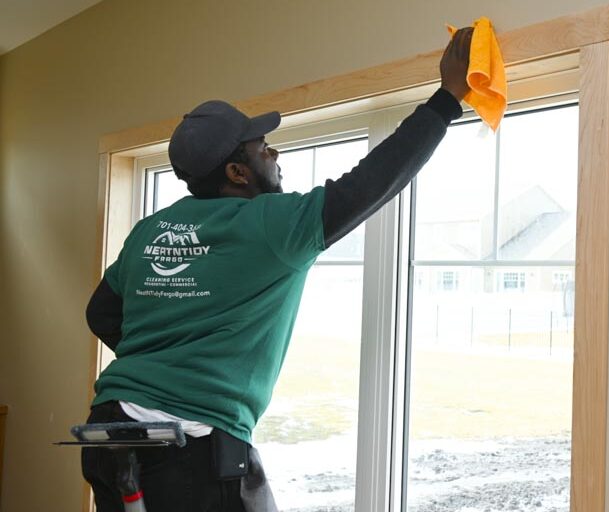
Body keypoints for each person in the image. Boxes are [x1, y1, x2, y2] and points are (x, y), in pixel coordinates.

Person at [81, 27, 473, 511]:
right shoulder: (271, 224)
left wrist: (167, 355)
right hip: (187, 446)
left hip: (109, 432)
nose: (275, 153)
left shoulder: (151, 230)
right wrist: (448, 99)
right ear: (237, 173)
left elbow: (100, 313)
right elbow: (371, 183)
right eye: (262, 148)